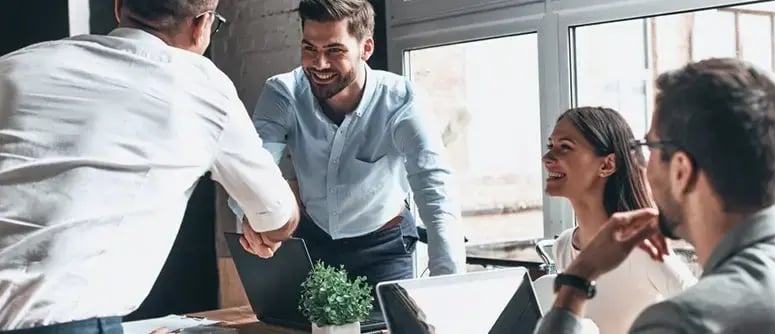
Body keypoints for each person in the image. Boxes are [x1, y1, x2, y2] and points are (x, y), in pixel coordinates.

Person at [0, 0, 300, 332]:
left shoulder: (14, 67)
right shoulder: (199, 85)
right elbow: (276, 217)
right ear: (201, 25)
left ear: (119, 7)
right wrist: (268, 222)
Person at [229, 0, 466, 294]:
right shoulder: (283, 93)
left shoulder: (403, 102)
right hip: (311, 242)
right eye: (309, 49)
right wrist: (249, 216)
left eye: (334, 50)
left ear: (366, 49)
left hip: (384, 248)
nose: (319, 64)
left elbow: (436, 191)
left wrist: (449, 289)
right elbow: (253, 167)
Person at [535, 58, 775, 334]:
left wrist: (578, 280)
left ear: (680, 171)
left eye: (648, 148)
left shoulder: (680, 322)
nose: (640, 165)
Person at [542, 107, 696, 333]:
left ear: (606, 165)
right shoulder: (564, 245)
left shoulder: (642, 248)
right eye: (550, 146)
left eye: (565, 147)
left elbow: (703, 312)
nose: (547, 158)